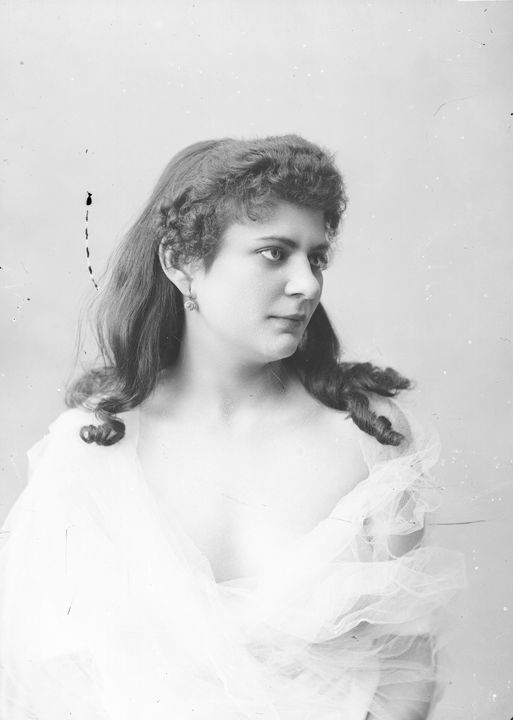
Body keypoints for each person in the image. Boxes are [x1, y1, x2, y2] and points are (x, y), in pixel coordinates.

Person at [0, 135, 465, 719]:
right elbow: (53, 683)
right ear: (180, 263)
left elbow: (407, 663)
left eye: (316, 258)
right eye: (274, 253)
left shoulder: (368, 436)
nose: (307, 284)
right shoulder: (91, 448)